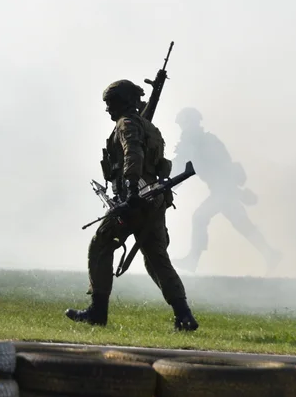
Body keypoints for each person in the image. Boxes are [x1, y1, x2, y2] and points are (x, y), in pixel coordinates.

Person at [66, 76, 199, 331]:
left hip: (135, 201)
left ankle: (97, 312)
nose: (108, 108)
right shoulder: (146, 126)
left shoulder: (126, 124)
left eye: (111, 102)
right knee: (157, 260)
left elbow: (133, 153)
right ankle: (184, 315)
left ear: (123, 102)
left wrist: (130, 190)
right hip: (154, 202)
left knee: (101, 244)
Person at [170, 107, 281, 274]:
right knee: (241, 224)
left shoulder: (205, 142)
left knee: (200, 217)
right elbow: (181, 167)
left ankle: (193, 259)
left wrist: (234, 191)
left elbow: (222, 167)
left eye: (184, 125)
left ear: (191, 123)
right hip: (222, 189)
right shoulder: (198, 142)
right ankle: (270, 254)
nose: (183, 130)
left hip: (223, 189)